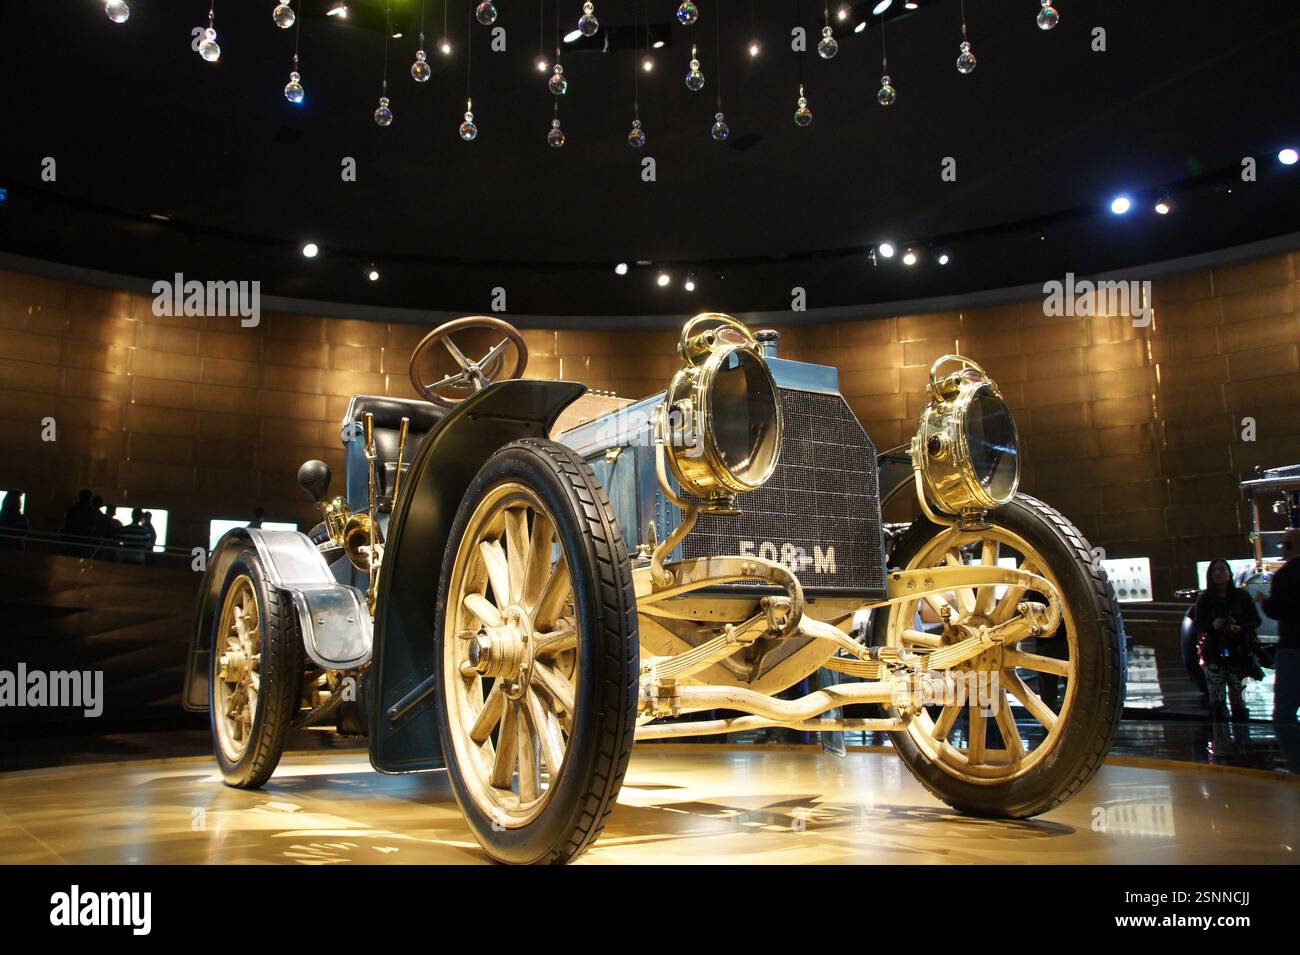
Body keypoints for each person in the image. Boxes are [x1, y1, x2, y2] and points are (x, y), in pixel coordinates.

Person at [1193, 559, 1261, 729]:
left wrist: (1240, 627)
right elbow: (1197, 624)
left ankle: (1242, 740)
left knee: (1239, 699)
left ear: (1229, 573)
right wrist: (1212, 625)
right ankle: (1221, 740)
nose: (1218, 573)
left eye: (1222, 569)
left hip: (1238, 653)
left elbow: (1255, 620)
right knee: (1216, 700)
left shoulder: (1241, 596)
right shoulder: (1205, 599)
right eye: (1214, 570)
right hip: (1214, 653)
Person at [1259, 528, 1300, 772]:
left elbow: (1278, 610)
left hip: (1292, 648)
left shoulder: (1284, 576)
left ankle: (1297, 766)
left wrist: (1265, 602)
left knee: (1284, 714)